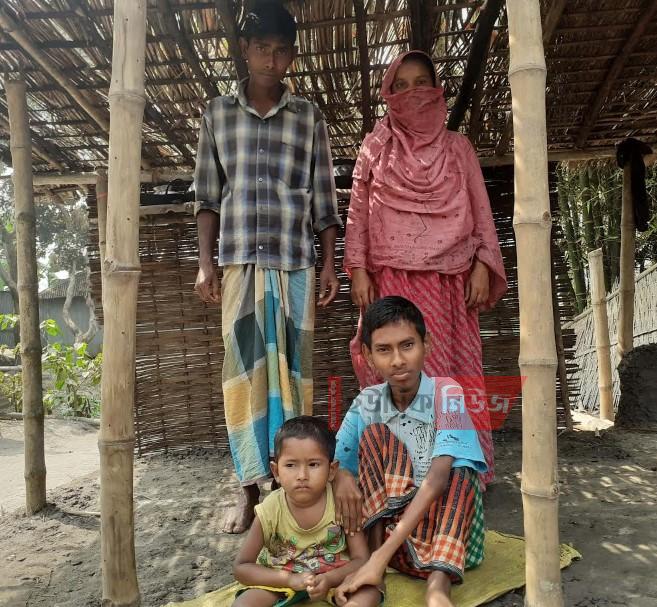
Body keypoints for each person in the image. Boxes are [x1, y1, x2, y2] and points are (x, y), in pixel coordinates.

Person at [194, 1, 342, 534]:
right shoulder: (217, 115)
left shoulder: (308, 118)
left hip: (294, 265)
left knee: (293, 379)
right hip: (239, 266)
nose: (270, 60)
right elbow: (207, 197)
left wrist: (330, 264)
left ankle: (288, 490)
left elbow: (324, 200)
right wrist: (206, 263)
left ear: (291, 56)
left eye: (281, 51)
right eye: (261, 49)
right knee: (242, 380)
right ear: (245, 50)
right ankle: (249, 490)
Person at [343, 50, 506, 486]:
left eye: (421, 83)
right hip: (391, 279)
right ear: (388, 94)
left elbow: (480, 209)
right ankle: (397, 472)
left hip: (450, 281)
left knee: (450, 376)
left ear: (436, 90)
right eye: (401, 86)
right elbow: (358, 212)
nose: (412, 93)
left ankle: (460, 472)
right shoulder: (375, 148)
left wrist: (482, 264)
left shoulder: (458, 148)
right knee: (392, 372)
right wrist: (358, 268)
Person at [332, 297, 487, 607]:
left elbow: (438, 479)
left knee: (460, 471)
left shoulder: (447, 393)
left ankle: (438, 585)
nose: (398, 360)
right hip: (395, 543)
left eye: (407, 345)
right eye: (384, 350)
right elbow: (334, 463)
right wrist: (343, 477)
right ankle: (374, 567)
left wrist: (379, 559)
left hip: (449, 538)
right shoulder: (367, 402)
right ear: (368, 356)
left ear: (426, 344)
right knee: (374, 435)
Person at [233, 416, 382, 607]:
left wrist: (329, 579)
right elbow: (242, 567)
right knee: (243, 605)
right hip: (281, 580)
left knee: (369, 593)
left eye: (313, 465)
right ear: (276, 471)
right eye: (290, 465)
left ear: (332, 470)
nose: (302, 475)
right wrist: (288, 580)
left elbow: (361, 559)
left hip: (336, 579)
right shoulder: (270, 509)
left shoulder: (341, 502)